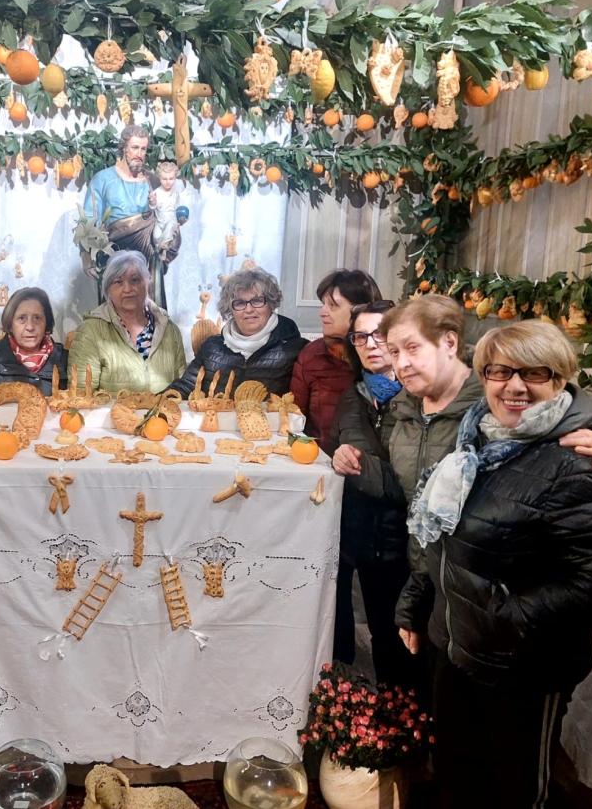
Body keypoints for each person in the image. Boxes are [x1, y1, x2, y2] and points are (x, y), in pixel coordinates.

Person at [395, 321, 592, 807]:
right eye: (500, 371)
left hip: (521, 665)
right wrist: (418, 603)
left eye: (535, 372)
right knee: (458, 779)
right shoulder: (475, 440)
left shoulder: (575, 460)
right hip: (456, 643)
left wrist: (507, 617)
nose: (515, 386)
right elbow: (444, 532)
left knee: (512, 791)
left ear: (562, 378)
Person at [328, 300, 416, 687]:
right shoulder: (354, 396)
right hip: (365, 534)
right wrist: (339, 455)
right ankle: (390, 725)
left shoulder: (419, 395)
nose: (371, 344)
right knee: (383, 635)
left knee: (409, 641)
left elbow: (409, 481)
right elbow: (342, 447)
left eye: (380, 334)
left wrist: (358, 464)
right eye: (360, 336)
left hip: (409, 542)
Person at [80, 125, 180, 307]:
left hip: (148, 260)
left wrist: (172, 234)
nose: (139, 153)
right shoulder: (103, 180)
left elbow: (167, 214)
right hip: (113, 256)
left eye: (143, 149)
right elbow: (88, 220)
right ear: (124, 148)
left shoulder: (153, 181)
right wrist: (86, 256)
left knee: (150, 315)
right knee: (116, 317)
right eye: (135, 148)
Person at [169, 267, 305, 397]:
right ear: (230, 309)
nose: (249, 309)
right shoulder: (211, 348)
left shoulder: (295, 350)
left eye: (257, 301)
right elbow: (185, 386)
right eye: (240, 303)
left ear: (271, 304)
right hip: (216, 420)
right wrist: (155, 403)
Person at [68, 249, 186, 393]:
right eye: (118, 282)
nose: (128, 289)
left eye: (135, 280)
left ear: (147, 283)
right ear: (108, 290)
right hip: (111, 416)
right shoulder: (91, 331)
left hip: (162, 415)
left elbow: (182, 390)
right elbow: (80, 396)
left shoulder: (169, 329)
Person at [290, 269, 382, 454]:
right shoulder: (311, 355)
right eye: (323, 304)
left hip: (372, 468)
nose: (322, 312)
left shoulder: (383, 355)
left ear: (361, 310)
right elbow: (293, 420)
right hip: (321, 463)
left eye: (333, 306)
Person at [0, 287, 68, 395]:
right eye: (22, 318)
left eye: (37, 318)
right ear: (10, 324)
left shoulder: (67, 362)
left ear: (46, 323)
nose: (30, 327)